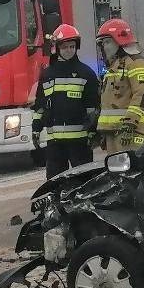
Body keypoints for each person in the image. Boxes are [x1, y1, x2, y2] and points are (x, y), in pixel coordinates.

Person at [32, 24, 100, 179]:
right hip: (54, 142)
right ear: (57, 48)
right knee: (55, 182)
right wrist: (36, 128)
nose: (69, 50)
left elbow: (93, 107)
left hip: (80, 141)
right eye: (65, 47)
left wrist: (93, 132)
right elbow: (40, 104)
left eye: (72, 46)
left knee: (83, 180)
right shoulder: (47, 74)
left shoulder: (86, 73)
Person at [95, 18, 144, 154]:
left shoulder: (136, 62)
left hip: (131, 132)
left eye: (108, 42)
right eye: (103, 44)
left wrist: (130, 124)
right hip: (114, 132)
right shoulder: (113, 67)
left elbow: (142, 94)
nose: (105, 47)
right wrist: (104, 129)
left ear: (120, 41)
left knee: (130, 172)